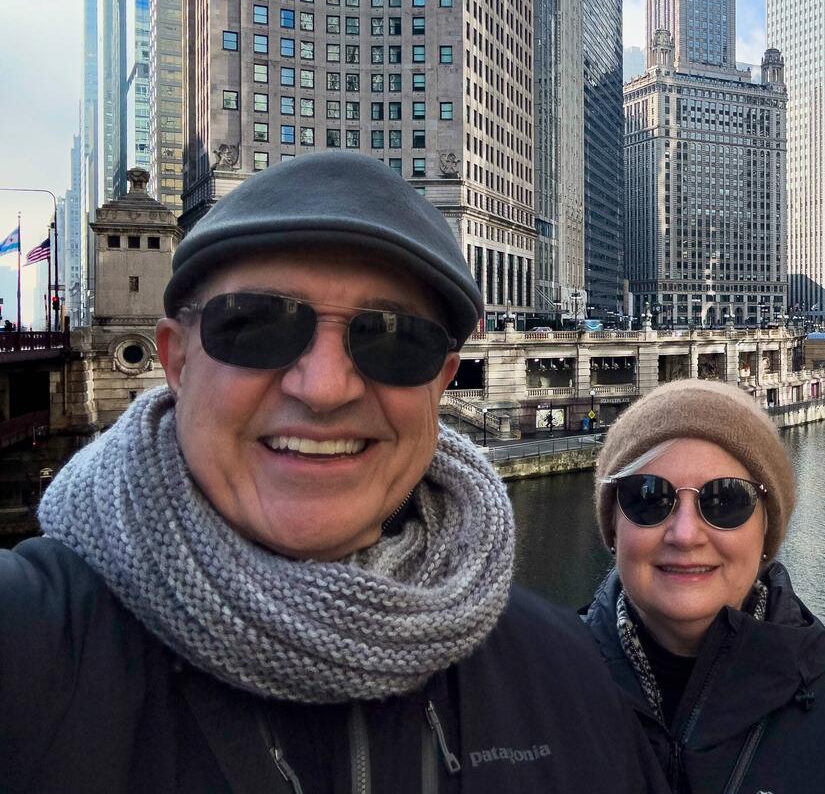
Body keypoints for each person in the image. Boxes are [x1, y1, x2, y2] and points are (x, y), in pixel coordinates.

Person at [0, 151, 667, 794]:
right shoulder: (33, 644)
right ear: (176, 361)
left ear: (440, 381)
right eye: (257, 324)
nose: (323, 388)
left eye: (392, 337)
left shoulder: (567, 674)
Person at [583, 379, 825, 793]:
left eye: (725, 500)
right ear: (613, 528)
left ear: (766, 531)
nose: (685, 534)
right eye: (649, 497)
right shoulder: (530, 692)